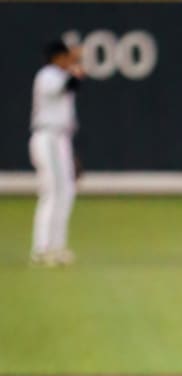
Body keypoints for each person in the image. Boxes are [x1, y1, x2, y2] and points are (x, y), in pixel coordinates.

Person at [28, 39, 85, 267]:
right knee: (51, 192)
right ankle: (41, 249)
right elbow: (72, 84)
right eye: (65, 56)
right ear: (57, 57)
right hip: (47, 137)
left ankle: (57, 246)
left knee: (67, 190)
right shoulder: (47, 75)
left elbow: (73, 82)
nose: (67, 60)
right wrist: (76, 61)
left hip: (60, 139)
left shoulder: (59, 74)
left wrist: (74, 62)